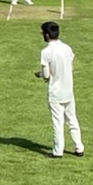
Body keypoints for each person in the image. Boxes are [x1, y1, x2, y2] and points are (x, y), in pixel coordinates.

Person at [33, 21, 85, 158]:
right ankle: (79, 147)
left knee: (58, 122)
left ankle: (57, 151)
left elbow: (46, 75)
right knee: (72, 119)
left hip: (55, 93)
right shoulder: (67, 48)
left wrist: (40, 75)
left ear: (47, 35)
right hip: (68, 90)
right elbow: (71, 65)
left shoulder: (46, 52)